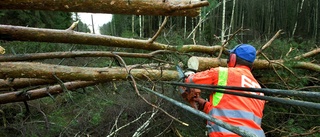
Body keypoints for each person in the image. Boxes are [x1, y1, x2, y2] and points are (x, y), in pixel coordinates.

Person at [182, 44, 265, 137]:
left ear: (232, 58)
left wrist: (188, 74)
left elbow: (190, 80)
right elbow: (233, 114)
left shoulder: (224, 73)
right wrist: (205, 105)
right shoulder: (259, 90)